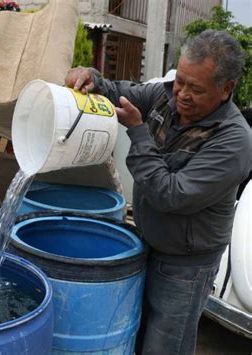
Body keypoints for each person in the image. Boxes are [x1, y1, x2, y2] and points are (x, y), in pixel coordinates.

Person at [65, 29, 251, 354]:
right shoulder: (165, 97)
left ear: (226, 90)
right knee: (135, 334)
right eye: (180, 81)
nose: (182, 94)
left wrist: (138, 132)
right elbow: (120, 92)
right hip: (147, 244)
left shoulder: (233, 140)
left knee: (166, 346)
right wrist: (92, 79)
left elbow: (170, 195)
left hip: (186, 266)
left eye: (196, 89)